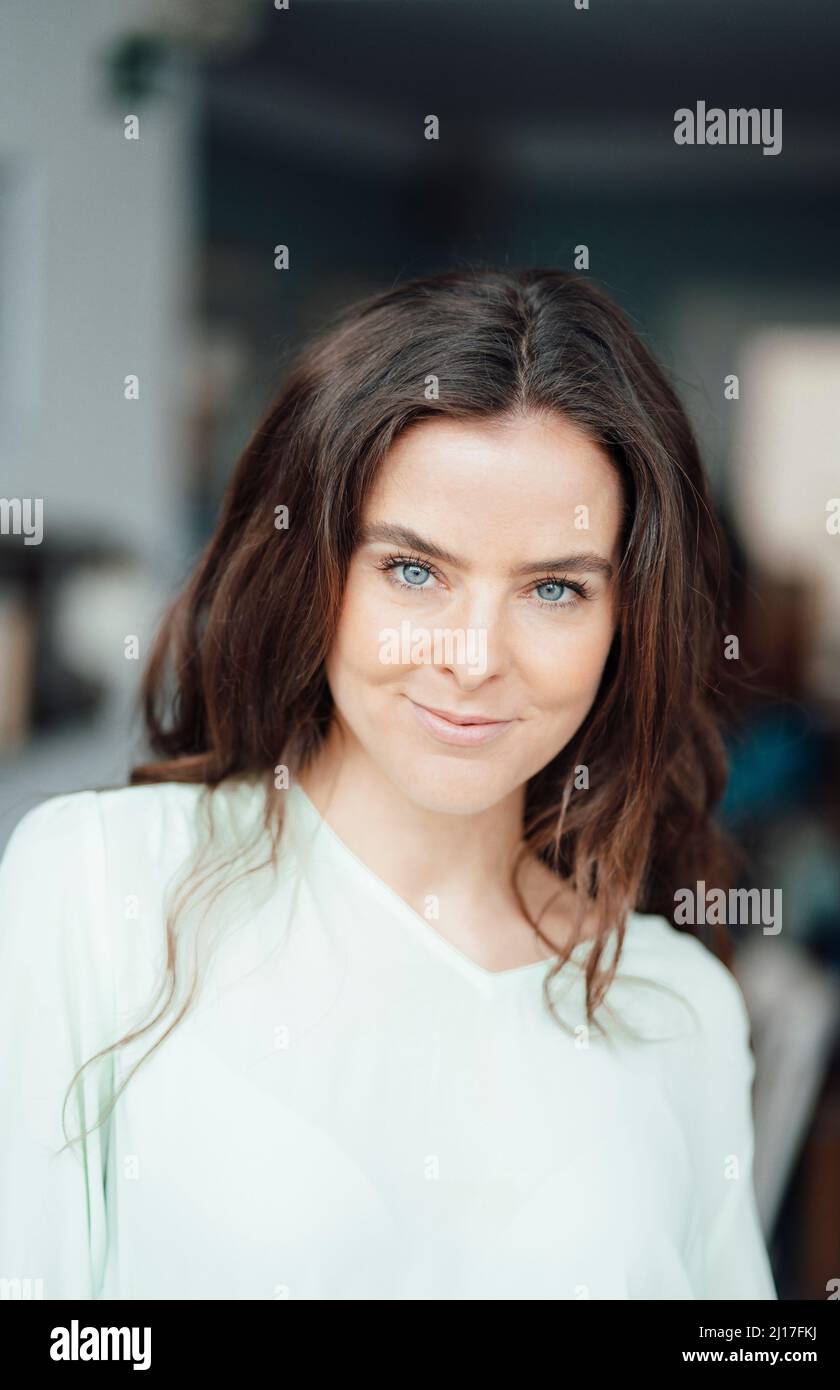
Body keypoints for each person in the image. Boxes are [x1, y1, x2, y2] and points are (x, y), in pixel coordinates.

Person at [0, 267, 777, 1300]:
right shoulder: (96, 886)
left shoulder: (679, 1007)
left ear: (627, 620)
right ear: (314, 572)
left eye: (554, 587)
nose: (472, 656)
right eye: (414, 569)